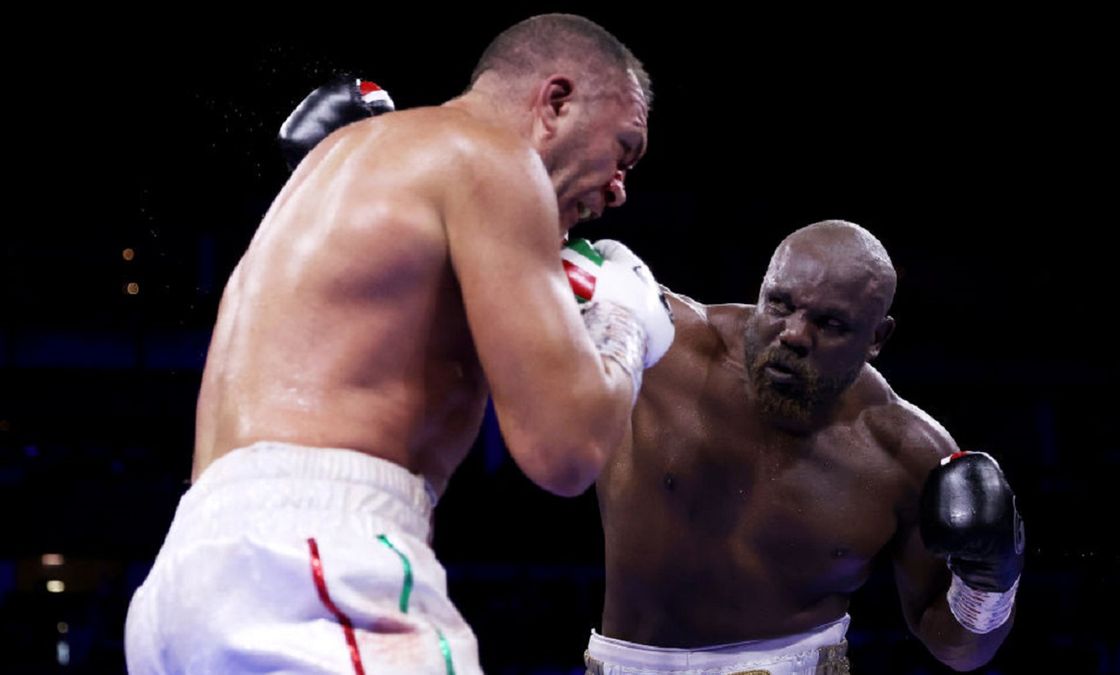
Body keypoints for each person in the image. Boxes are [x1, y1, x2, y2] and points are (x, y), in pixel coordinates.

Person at [124, 13, 673, 675]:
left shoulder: (344, 165)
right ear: (556, 101)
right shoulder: (493, 159)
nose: (620, 186)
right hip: (315, 560)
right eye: (625, 148)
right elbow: (567, 449)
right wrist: (624, 315)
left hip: (186, 578)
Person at [584, 220, 1025, 674]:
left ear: (877, 338)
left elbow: (958, 650)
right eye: (780, 304)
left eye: (829, 323)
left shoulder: (907, 456)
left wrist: (990, 584)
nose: (793, 334)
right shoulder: (662, 345)